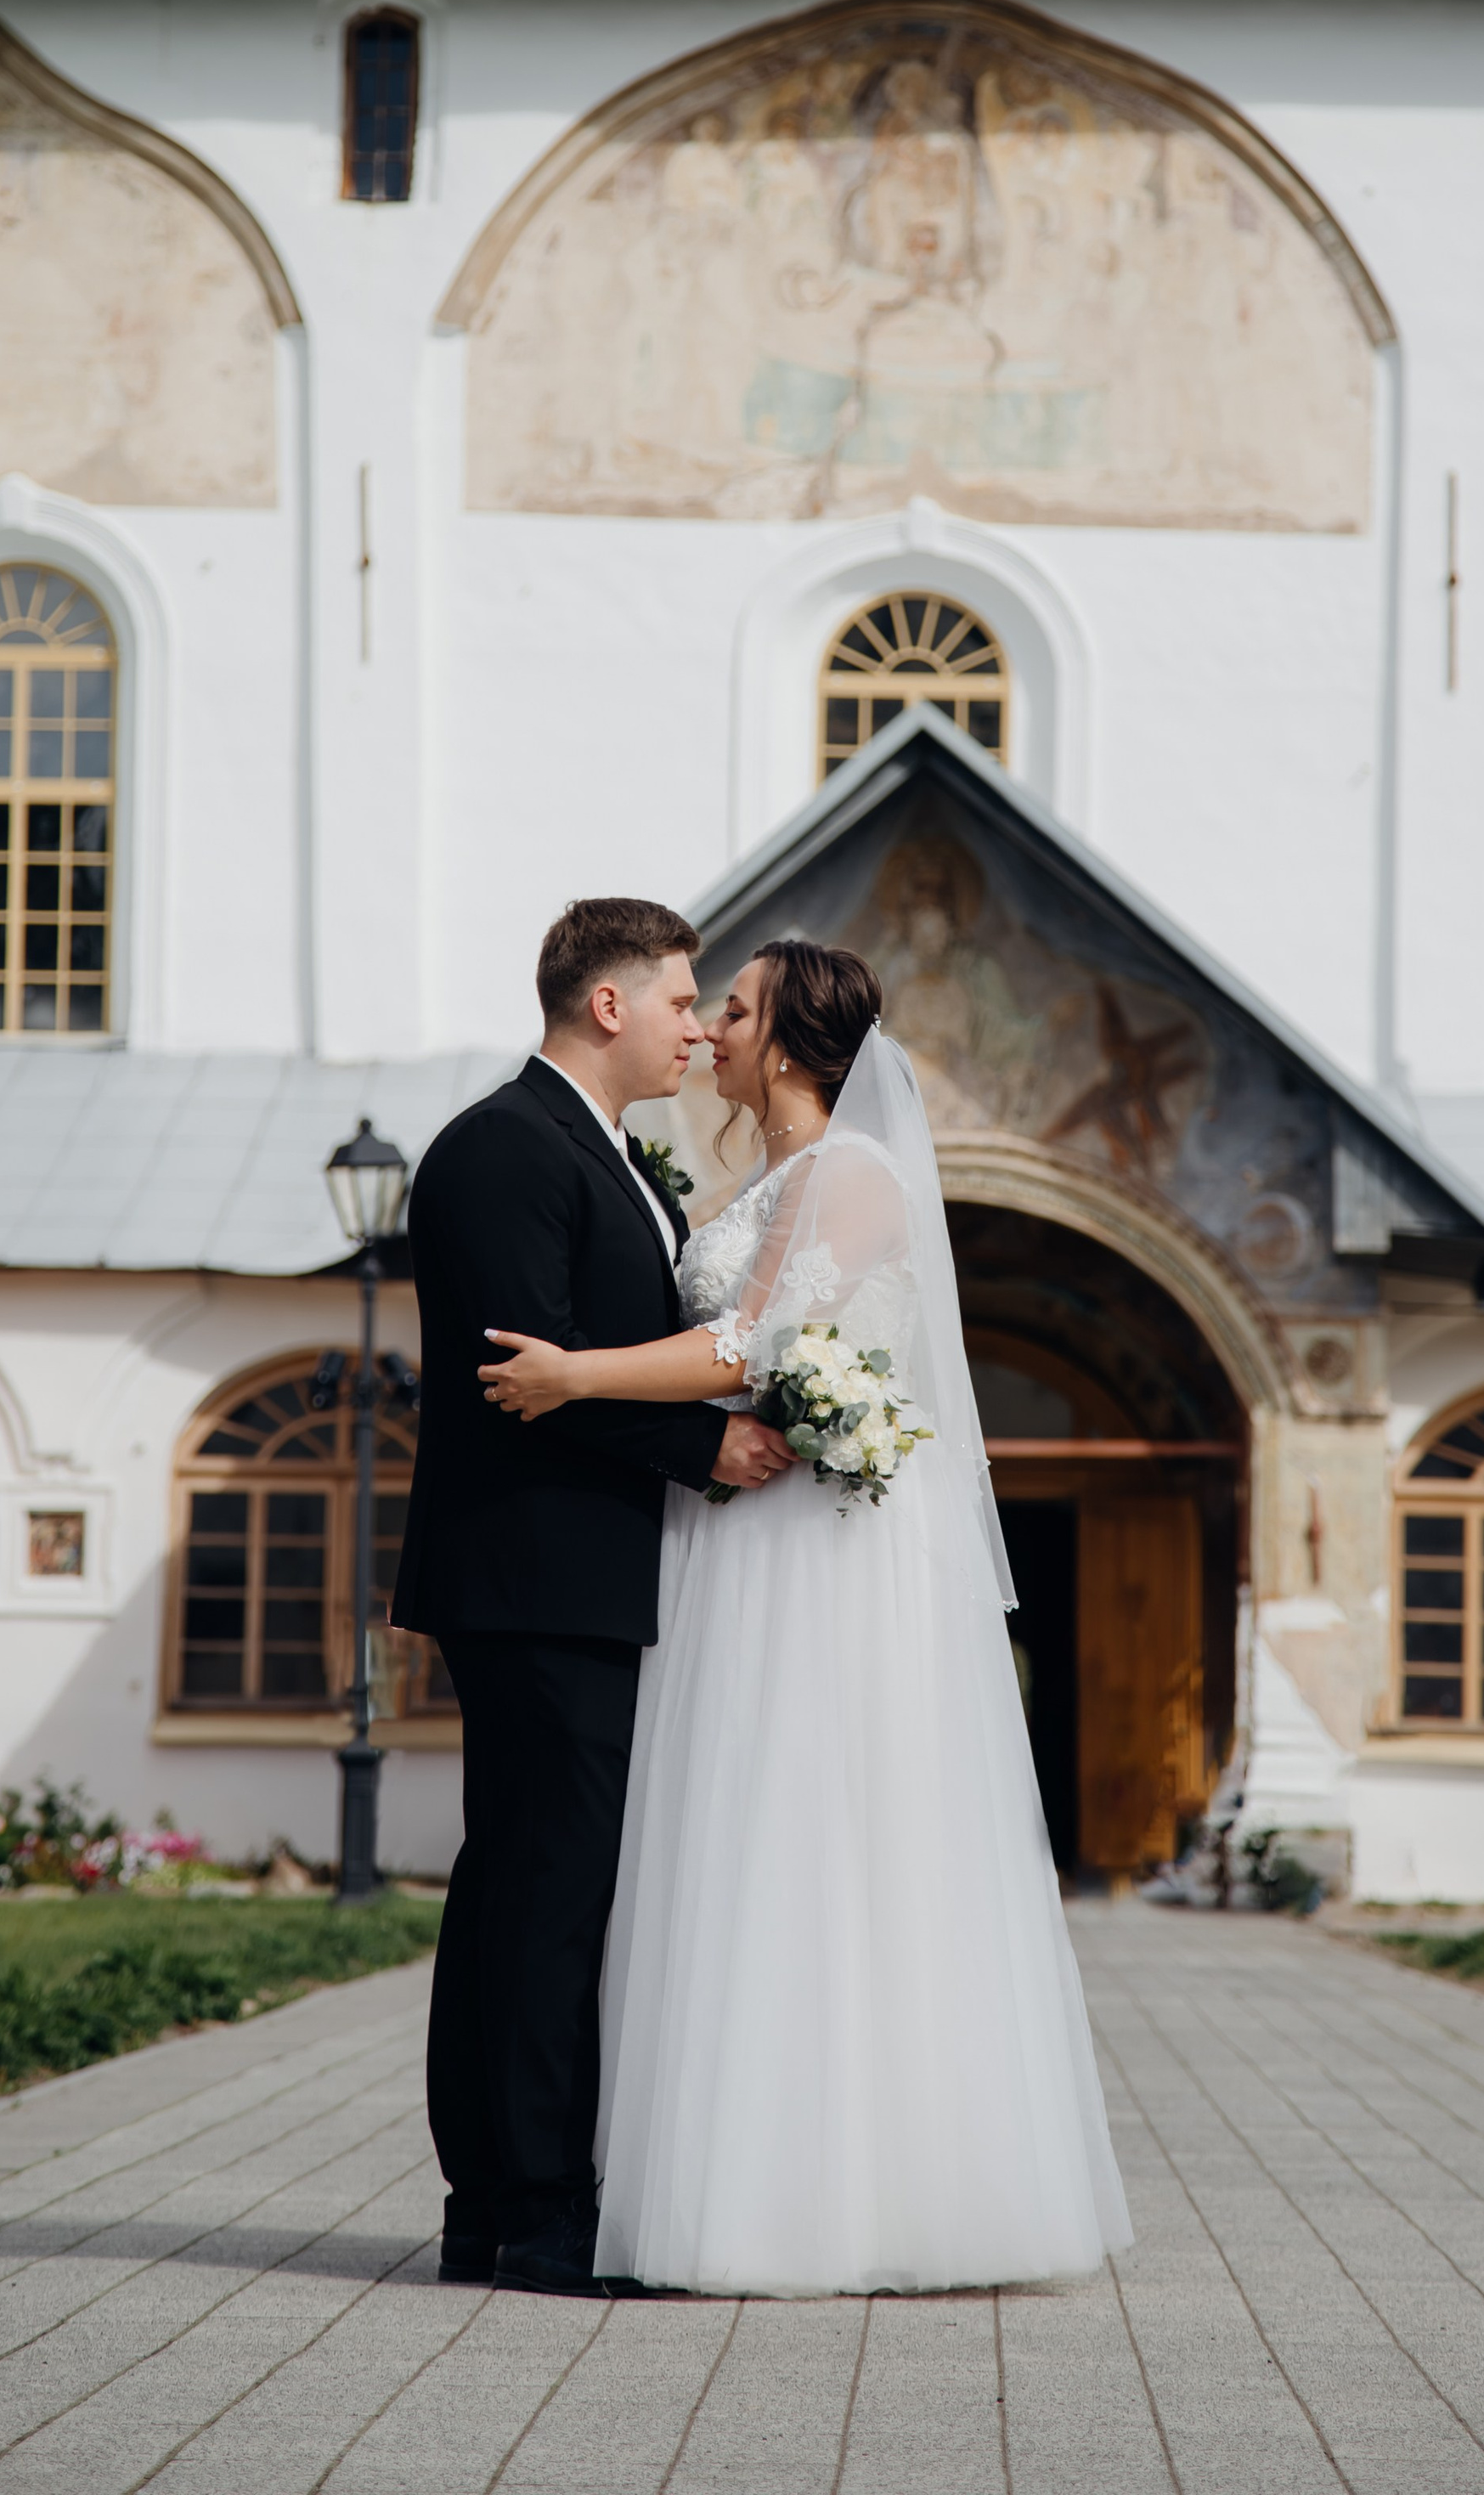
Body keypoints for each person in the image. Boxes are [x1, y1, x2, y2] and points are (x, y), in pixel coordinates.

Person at [479, 938, 1132, 2296]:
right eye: (702, 1002)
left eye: (733, 1005)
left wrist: (576, 1375)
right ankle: (726, 2182)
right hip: (736, 1536)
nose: (709, 1025)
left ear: (783, 1042)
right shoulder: (763, 1181)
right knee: (730, 1842)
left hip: (813, 1557)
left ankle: (835, 2201)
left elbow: (749, 1344)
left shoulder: (855, 1175)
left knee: (811, 1837)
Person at [389, 897, 794, 2300]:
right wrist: (703, 1447)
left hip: (584, 1577)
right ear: (607, 1004)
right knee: (545, 1897)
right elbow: (527, 1371)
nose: (697, 1028)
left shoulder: (613, 1157)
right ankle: (534, 2210)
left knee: (528, 1887)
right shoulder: (504, 1146)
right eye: (682, 1000)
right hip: (531, 1573)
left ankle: (494, 2206)